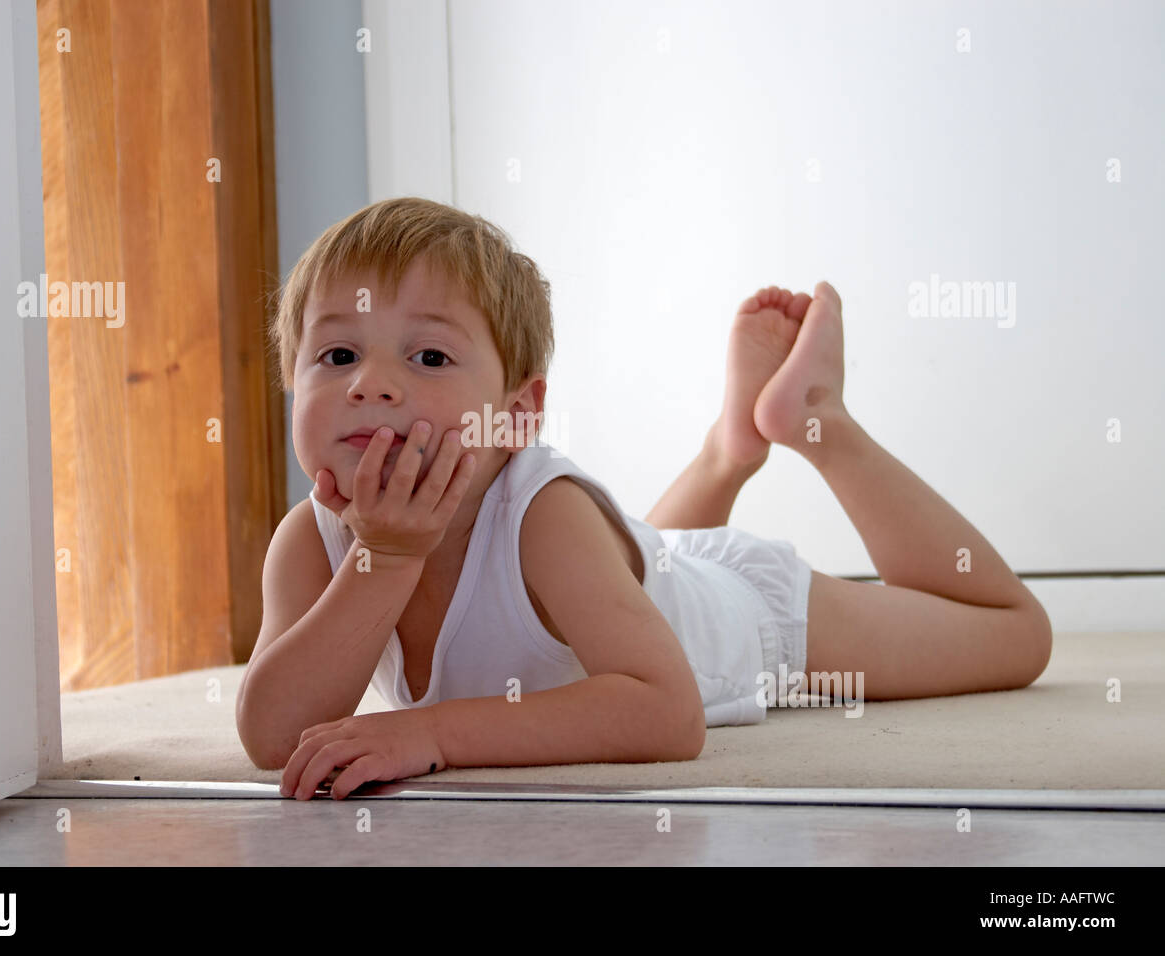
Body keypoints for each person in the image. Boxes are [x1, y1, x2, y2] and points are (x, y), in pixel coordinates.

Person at [234, 197, 1052, 799]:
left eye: (431, 359)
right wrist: (384, 559)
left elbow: (668, 712)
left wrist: (432, 731)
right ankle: (728, 452)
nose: (371, 386)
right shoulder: (310, 542)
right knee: (645, 557)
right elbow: (273, 735)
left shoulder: (546, 517)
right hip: (644, 569)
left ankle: (815, 423)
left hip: (740, 614)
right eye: (337, 354)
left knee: (1017, 638)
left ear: (517, 415)